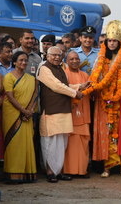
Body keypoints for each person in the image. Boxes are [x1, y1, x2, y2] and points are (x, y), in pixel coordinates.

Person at [84, 20, 121, 178]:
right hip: (103, 101)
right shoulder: (100, 60)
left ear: (120, 42)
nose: (112, 43)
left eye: (115, 41)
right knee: (106, 132)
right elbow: (94, 80)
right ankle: (107, 166)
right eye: (109, 41)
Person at [38, 47, 85, 182]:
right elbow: (56, 86)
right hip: (51, 111)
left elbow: (65, 84)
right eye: (53, 55)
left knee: (62, 142)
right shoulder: (44, 68)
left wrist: (79, 86)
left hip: (63, 110)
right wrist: (75, 93)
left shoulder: (60, 68)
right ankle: (50, 172)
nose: (57, 58)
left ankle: (58, 171)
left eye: (59, 55)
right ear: (47, 56)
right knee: (50, 142)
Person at [2, 51, 38, 183]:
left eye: (25, 60)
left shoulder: (31, 79)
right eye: (21, 60)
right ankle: (12, 174)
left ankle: (27, 173)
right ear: (15, 62)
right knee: (14, 143)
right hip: (12, 114)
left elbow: (34, 97)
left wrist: (30, 110)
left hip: (27, 115)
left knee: (27, 142)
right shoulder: (8, 77)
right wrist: (23, 110)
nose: (23, 62)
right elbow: (10, 96)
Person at [63, 51, 91, 177]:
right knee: (70, 144)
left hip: (83, 112)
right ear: (67, 61)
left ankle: (82, 170)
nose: (75, 61)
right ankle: (69, 170)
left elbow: (91, 90)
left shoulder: (85, 74)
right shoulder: (64, 74)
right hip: (70, 113)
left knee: (83, 142)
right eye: (71, 59)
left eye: (77, 59)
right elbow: (64, 88)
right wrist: (79, 87)